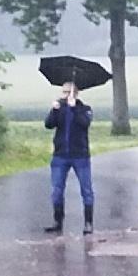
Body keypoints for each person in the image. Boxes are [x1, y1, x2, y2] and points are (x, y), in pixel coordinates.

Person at [44, 81, 95, 234]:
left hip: (80, 156)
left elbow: (85, 123)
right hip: (60, 155)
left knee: (86, 189)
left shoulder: (85, 109)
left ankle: (88, 223)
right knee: (57, 190)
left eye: (68, 92)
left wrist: (74, 109)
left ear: (76, 93)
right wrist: (53, 111)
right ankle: (57, 221)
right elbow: (48, 124)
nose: (65, 95)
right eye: (64, 92)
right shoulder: (59, 108)